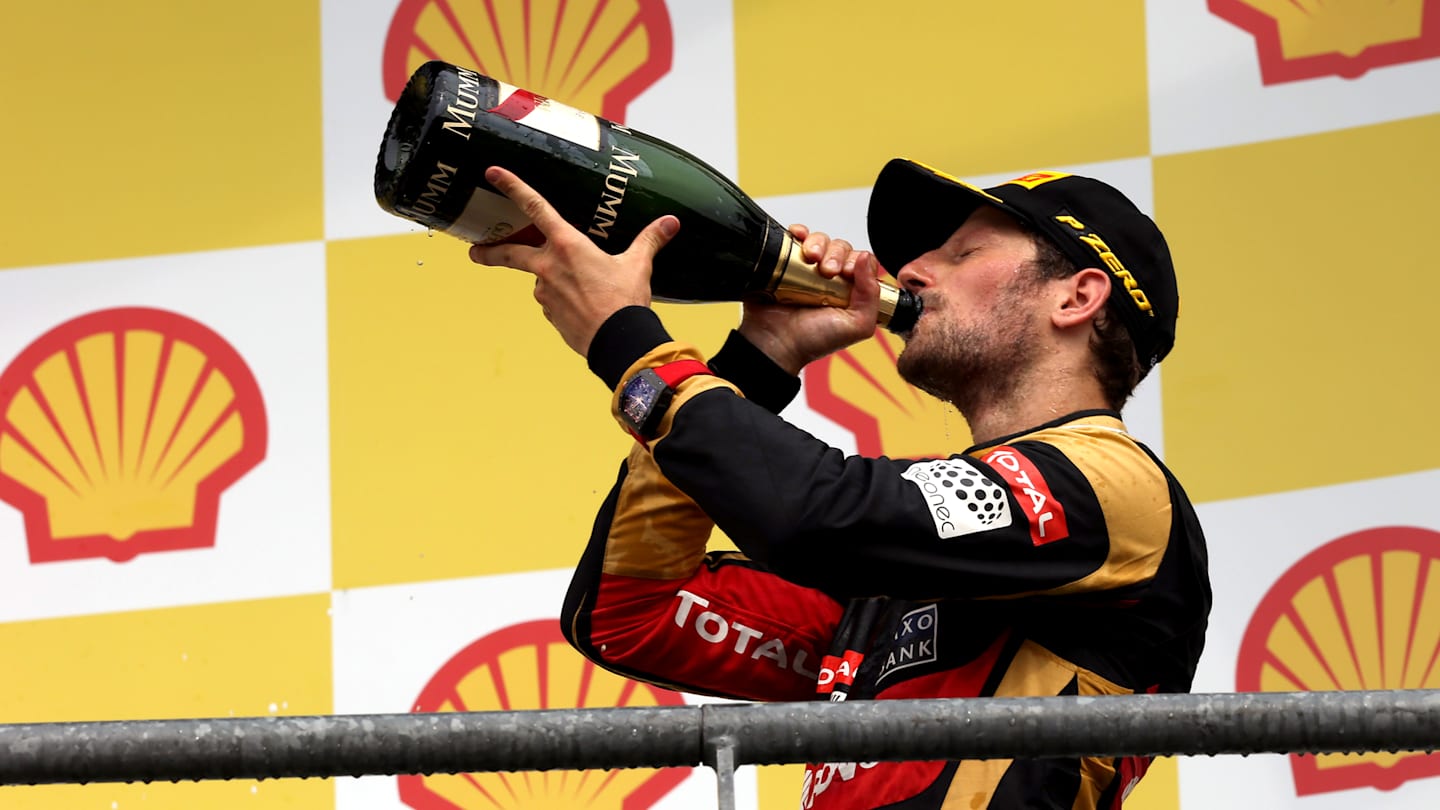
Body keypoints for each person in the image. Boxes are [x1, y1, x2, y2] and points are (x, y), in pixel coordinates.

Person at [468, 158, 1212, 810]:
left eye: (961, 252)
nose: (913, 271)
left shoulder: (1116, 484)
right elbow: (633, 613)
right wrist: (759, 360)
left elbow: (818, 518)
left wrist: (628, 341)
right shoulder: (898, 574)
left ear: (1076, 298)